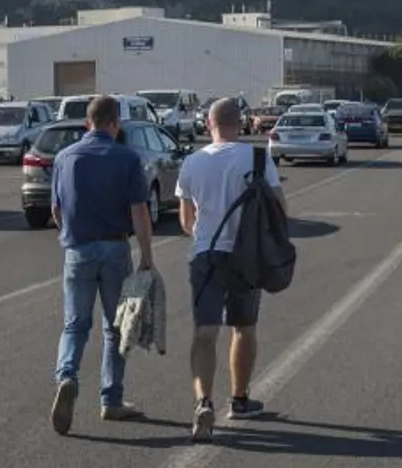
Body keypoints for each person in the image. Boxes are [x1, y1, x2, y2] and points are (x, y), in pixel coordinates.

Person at [176, 97, 285, 441]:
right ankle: (239, 399)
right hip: (245, 257)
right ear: (240, 124)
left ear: (209, 124)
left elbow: (185, 220)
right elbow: (279, 207)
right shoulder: (257, 157)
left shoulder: (192, 162)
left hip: (206, 254)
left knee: (204, 334)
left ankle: (203, 402)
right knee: (244, 329)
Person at [49, 95, 156, 434]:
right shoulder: (126, 158)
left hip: (77, 249)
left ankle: (67, 377)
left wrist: (70, 234)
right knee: (116, 328)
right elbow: (139, 210)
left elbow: (56, 210)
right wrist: (147, 256)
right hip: (114, 248)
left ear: (87, 123)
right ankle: (111, 400)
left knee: (75, 325)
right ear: (116, 123)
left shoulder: (65, 157)